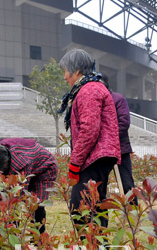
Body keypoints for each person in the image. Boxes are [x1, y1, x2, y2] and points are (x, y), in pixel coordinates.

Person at [57, 49, 120, 227]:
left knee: (80, 208)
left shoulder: (89, 90)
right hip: (97, 156)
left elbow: (89, 129)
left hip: (95, 156)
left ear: (76, 71)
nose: (65, 77)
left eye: (66, 71)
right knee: (94, 205)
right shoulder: (90, 88)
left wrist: (74, 163)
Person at [0, 138, 58, 233]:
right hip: (28, 163)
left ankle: (38, 239)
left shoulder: (20, 163)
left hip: (44, 168)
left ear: (3, 165)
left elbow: (18, 199)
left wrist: (11, 228)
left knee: (36, 204)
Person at [100, 73, 137, 204]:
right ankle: (101, 222)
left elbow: (124, 123)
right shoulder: (95, 101)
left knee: (127, 185)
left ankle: (133, 219)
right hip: (101, 153)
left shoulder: (118, 99)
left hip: (120, 149)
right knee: (99, 188)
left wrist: (106, 137)